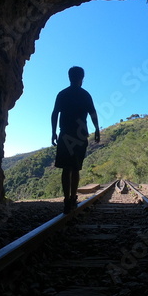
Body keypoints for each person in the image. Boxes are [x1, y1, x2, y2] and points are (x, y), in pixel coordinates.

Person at [51, 66, 100, 213]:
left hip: (65, 134)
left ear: (69, 77)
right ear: (82, 78)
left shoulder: (62, 94)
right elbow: (93, 113)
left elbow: (54, 114)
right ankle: (73, 198)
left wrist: (53, 132)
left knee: (66, 168)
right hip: (80, 135)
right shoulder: (85, 95)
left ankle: (67, 200)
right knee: (76, 167)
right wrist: (97, 129)